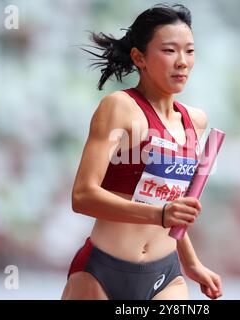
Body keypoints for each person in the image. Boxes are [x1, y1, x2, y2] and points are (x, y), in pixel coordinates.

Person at [61, 4, 222, 300]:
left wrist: (192, 263)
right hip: (101, 273)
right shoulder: (119, 107)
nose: (183, 62)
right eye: (170, 51)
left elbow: (174, 204)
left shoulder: (196, 120)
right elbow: (82, 196)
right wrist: (159, 214)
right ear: (139, 57)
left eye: (189, 51)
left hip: (166, 277)